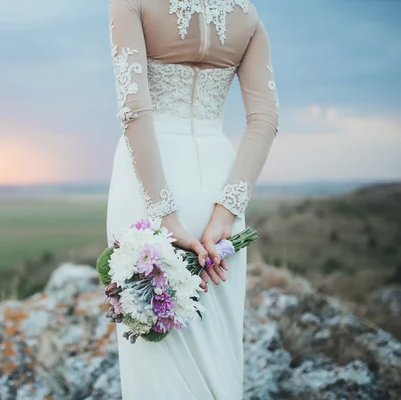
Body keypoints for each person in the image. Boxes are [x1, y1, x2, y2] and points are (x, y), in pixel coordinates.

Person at [106, 0, 278, 398]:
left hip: (147, 179)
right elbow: (265, 119)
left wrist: (163, 214)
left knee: (155, 349)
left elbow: (134, 108)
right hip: (219, 178)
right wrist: (228, 209)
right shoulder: (246, 13)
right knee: (216, 335)